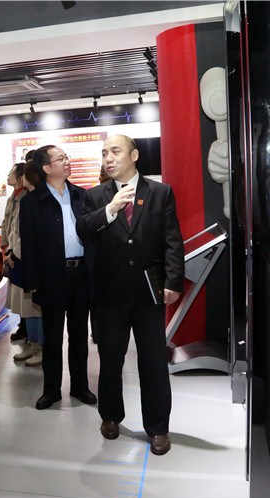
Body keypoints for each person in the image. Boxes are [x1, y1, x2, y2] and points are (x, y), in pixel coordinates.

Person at [76, 134, 184, 456]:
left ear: (134, 155)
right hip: (109, 295)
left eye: (115, 151)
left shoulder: (160, 192)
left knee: (153, 362)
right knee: (111, 359)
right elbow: (83, 230)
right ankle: (110, 416)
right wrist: (110, 210)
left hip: (149, 293)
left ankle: (158, 427)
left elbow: (172, 240)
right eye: (104, 153)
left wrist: (173, 281)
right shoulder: (95, 196)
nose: (108, 158)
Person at [20, 145, 95, 410]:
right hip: (51, 276)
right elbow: (28, 244)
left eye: (67, 157)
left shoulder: (82, 195)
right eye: (60, 159)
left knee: (79, 335)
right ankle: (51, 390)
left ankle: (80, 386)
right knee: (52, 337)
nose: (67, 161)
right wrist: (32, 282)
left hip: (81, 274)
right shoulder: (32, 202)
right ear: (46, 168)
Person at [4, 162, 44, 366]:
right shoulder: (19, 198)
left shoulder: (33, 199)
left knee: (35, 306)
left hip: (27, 258)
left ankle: (41, 346)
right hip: (17, 256)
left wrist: (15, 254)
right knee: (27, 307)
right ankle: (33, 343)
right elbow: (11, 228)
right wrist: (8, 250)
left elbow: (27, 233)